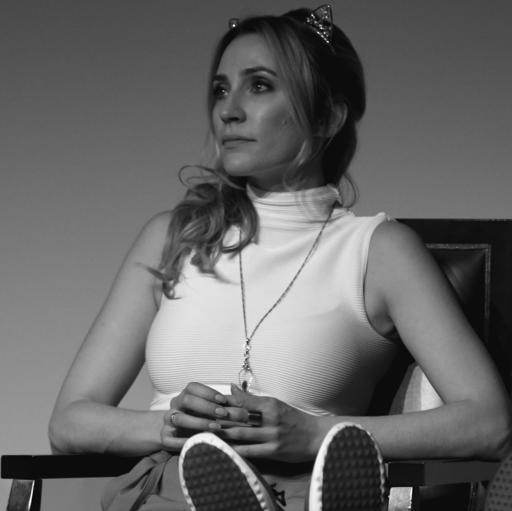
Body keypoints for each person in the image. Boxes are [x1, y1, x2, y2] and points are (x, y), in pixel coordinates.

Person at [48, 5, 511, 511]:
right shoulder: (174, 237)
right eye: (221, 89)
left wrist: (314, 435)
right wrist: (168, 426)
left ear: (328, 116)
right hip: (171, 487)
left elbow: (489, 423)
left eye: (259, 86)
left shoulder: (379, 250)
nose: (228, 111)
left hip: (306, 490)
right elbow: (70, 421)